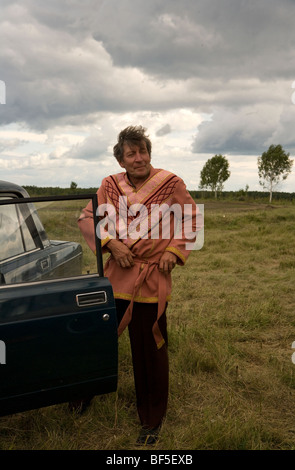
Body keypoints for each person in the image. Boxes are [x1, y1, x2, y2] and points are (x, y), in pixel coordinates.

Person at [77, 125, 200, 445]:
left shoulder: (171, 183)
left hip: (151, 279)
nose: (139, 158)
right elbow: (87, 218)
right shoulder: (109, 185)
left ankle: (151, 417)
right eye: (131, 153)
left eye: (143, 151)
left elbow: (191, 218)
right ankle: (84, 393)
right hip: (116, 277)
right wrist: (111, 244)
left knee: (149, 350)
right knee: (98, 340)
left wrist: (175, 251)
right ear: (121, 160)